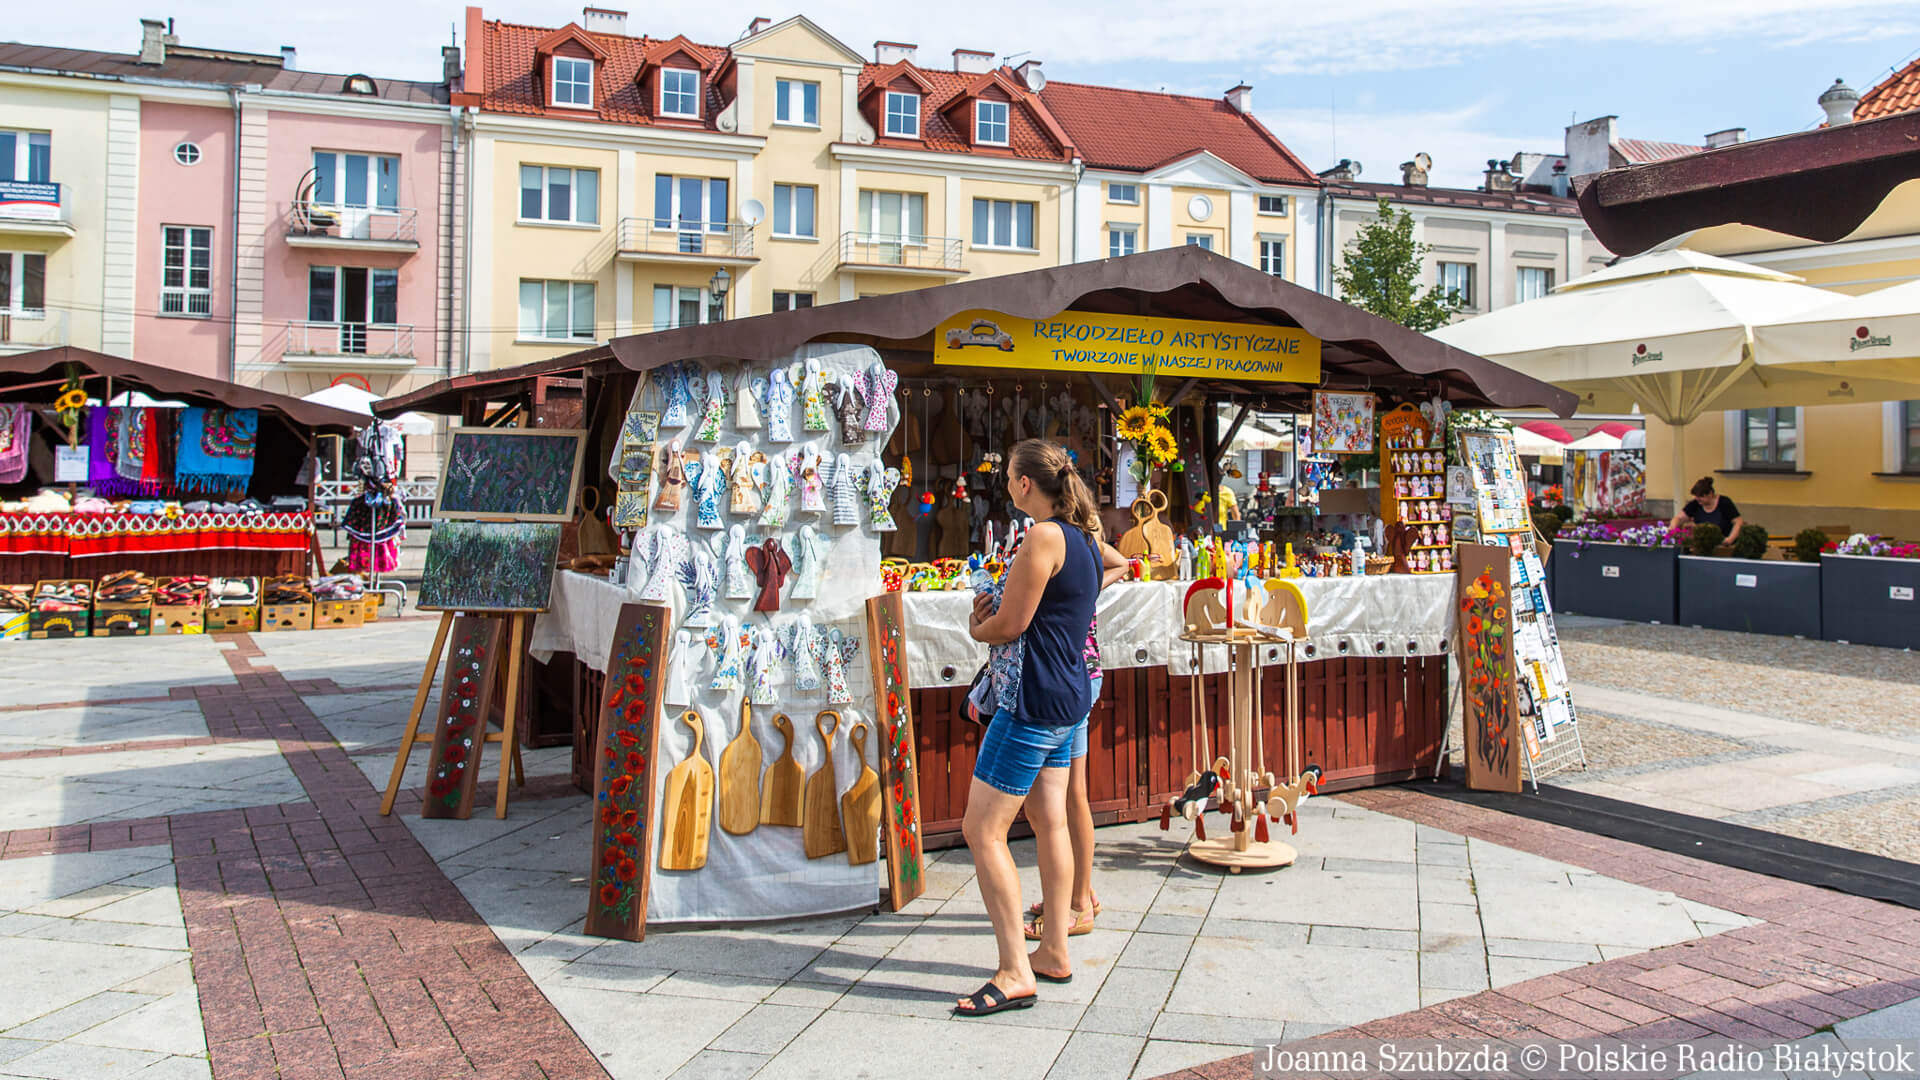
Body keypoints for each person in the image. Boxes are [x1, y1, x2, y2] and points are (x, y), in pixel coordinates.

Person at [955, 439, 1102, 1017]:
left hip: (1032, 701)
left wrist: (977, 626)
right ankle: (1054, 950)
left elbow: (1011, 624)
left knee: (982, 830)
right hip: (1068, 696)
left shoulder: (1042, 536)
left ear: (1023, 484)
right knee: (1049, 821)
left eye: (1010, 478)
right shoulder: (1085, 537)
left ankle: (1015, 971)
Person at [1024, 539, 1128, 944]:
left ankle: (1079, 900)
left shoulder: (1070, 549)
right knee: (1069, 796)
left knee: (1065, 798)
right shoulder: (1085, 563)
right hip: (1083, 675)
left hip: (1070, 678)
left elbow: (1122, 562)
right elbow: (1122, 563)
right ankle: (1078, 892)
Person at [1670, 477, 1743, 544]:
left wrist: (1729, 539)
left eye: (1701, 496)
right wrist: (1673, 528)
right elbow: (1678, 518)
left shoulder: (1724, 503)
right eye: (1696, 496)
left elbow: (1738, 522)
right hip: (1702, 545)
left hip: (1722, 545)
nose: (1698, 499)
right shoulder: (1695, 504)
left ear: (1710, 494)